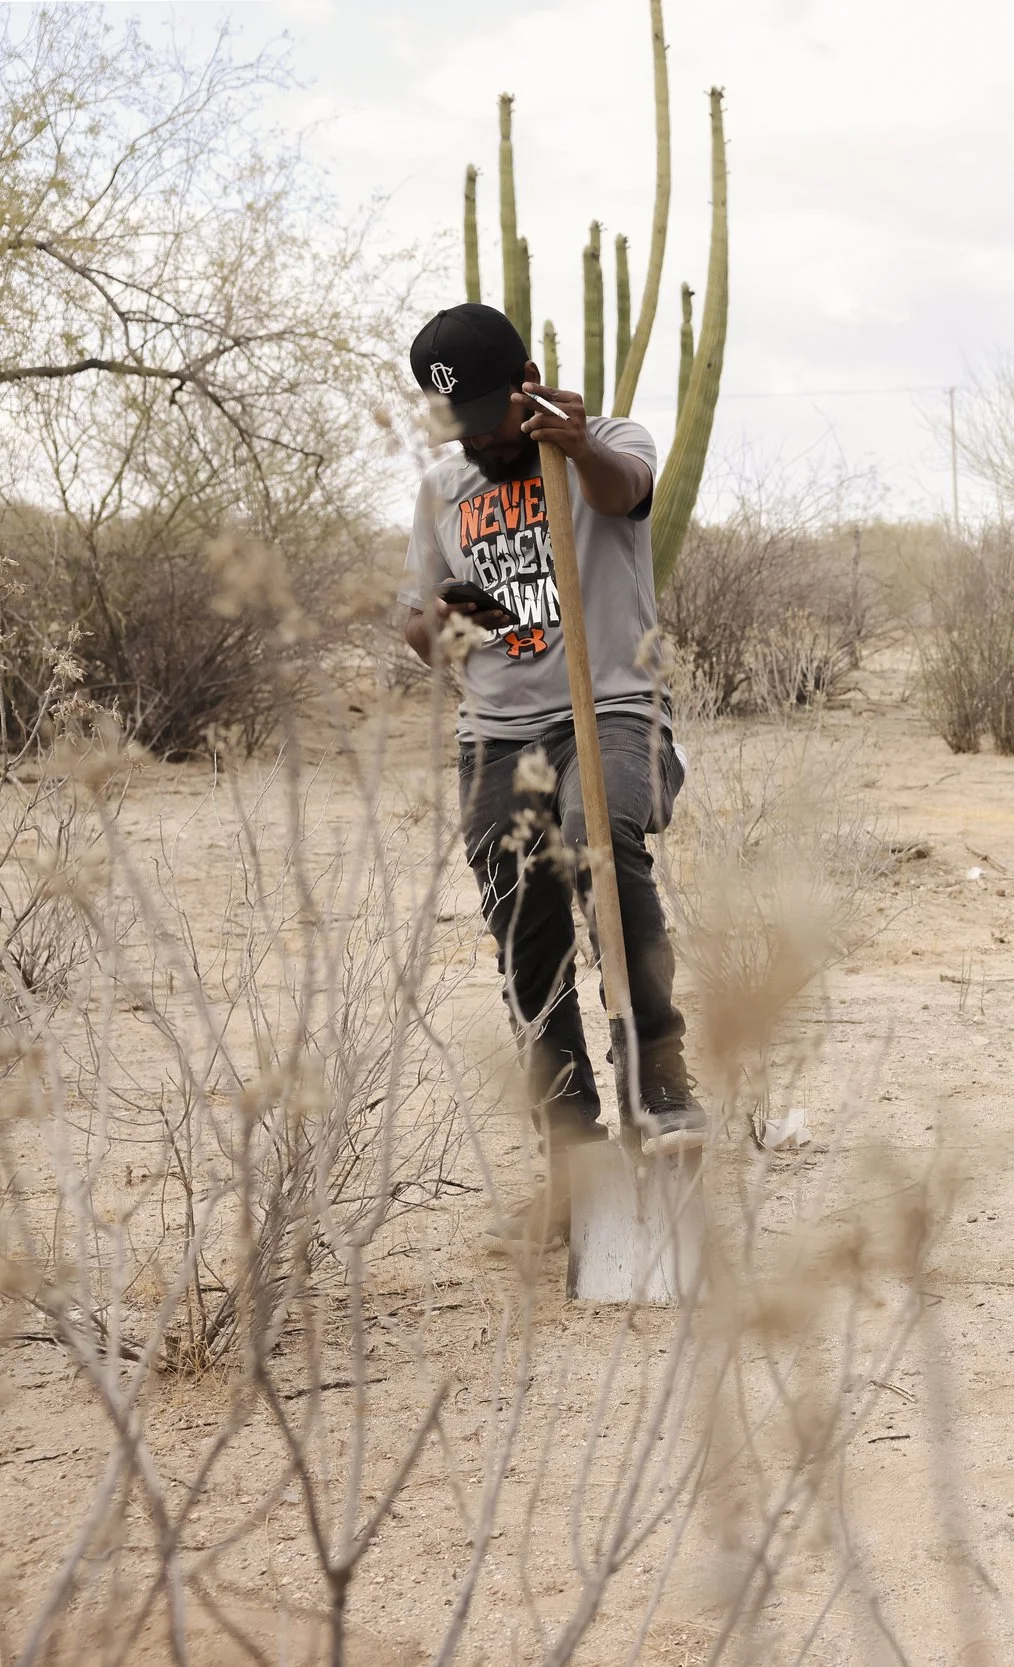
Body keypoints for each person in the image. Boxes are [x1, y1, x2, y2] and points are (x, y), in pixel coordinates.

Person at [397, 301, 705, 1251]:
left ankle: (661, 1084)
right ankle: (574, 1156)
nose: (479, 430)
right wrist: (442, 624)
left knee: (599, 840)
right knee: (519, 910)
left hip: (608, 707)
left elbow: (624, 493)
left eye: (491, 406)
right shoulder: (443, 489)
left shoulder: (604, 442)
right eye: (460, 416)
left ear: (529, 375)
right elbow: (418, 636)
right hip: (496, 729)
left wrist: (576, 446)